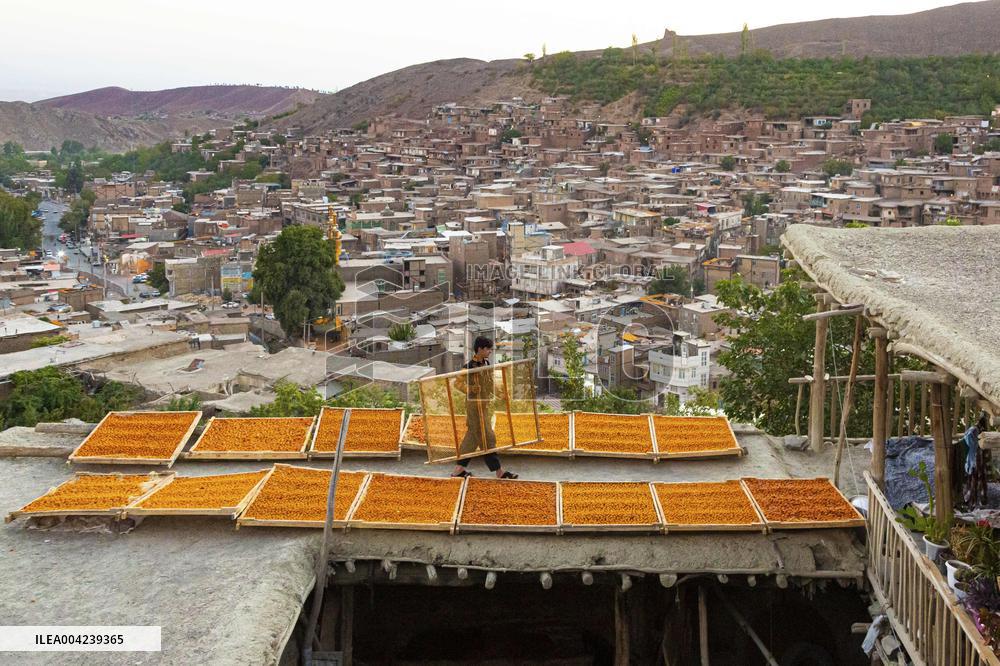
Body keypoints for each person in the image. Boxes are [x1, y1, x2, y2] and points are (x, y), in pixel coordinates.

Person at [451, 336, 518, 479]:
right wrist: (470, 389)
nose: (490, 352)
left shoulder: (486, 364)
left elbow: (489, 384)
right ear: (480, 349)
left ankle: (458, 470)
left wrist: (500, 394)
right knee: (487, 437)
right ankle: (499, 471)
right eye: (488, 349)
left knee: (473, 438)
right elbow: (457, 383)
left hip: (484, 406)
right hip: (474, 408)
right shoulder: (468, 367)